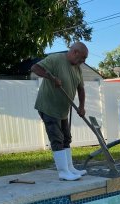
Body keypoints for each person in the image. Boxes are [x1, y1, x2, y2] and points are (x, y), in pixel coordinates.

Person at [31, 42, 88, 181]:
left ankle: (70, 168)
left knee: (66, 138)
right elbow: (35, 68)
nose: (83, 61)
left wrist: (81, 106)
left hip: (63, 109)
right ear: (74, 52)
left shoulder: (77, 68)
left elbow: (81, 89)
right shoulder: (55, 59)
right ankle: (63, 172)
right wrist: (51, 77)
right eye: (82, 58)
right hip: (49, 107)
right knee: (57, 139)